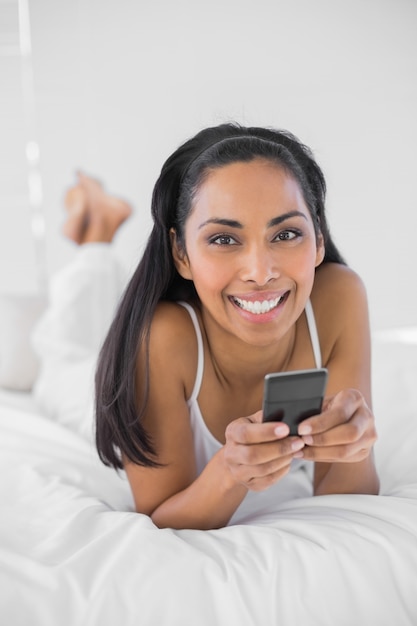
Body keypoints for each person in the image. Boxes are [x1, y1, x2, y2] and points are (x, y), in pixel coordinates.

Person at [93, 123, 379, 531]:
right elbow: (157, 520)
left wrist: (355, 448)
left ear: (318, 238)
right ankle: (95, 238)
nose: (260, 273)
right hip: (99, 378)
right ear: (181, 254)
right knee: (60, 354)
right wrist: (229, 471)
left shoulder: (339, 297)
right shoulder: (162, 338)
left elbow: (348, 503)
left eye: (286, 233)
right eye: (224, 240)